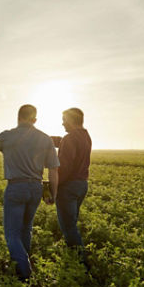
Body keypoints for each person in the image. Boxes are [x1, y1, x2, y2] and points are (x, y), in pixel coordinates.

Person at [0, 104, 59, 280]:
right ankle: (21, 264)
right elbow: (53, 170)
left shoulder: (7, 136)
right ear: (35, 120)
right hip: (36, 187)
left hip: (16, 187)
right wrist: (53, 194)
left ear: (18, 118)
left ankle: (25, 271)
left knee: (12, 234)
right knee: (26, 229)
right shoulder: (45, 139)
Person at [52, 108, 92, 260]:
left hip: (68, 188)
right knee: (71, 224)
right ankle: (73, 255)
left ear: (71, 120)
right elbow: (61, 141)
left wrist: (52, 187)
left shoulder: (70, 138)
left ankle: (81, 261)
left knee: (69, 228)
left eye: (64, 120)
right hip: (81, 185)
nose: (62, 123)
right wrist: (42, 138)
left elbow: (64, 168)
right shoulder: (85, 136)